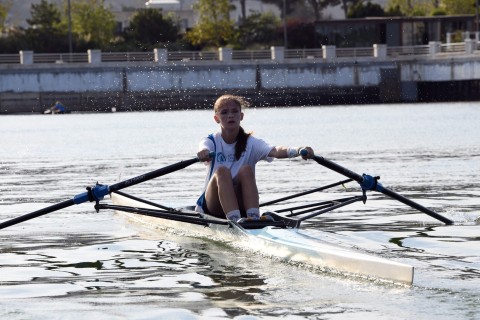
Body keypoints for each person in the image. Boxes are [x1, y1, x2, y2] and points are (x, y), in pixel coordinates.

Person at [195, 94, 314, 222]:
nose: (230, 115)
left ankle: (253, 218)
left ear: (241, 116)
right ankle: (235, 220)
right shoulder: (211, 141)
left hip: (240, 203)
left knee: (246, 170)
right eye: (224, 112)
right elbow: (203, 147)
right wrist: (203, 153)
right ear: (216, 118)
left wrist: (298, 150)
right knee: (222, 171)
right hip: (213, 206)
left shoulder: (251, 143)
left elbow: (276, 151)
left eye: (235, 111)